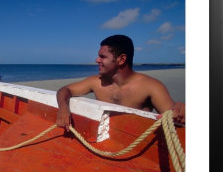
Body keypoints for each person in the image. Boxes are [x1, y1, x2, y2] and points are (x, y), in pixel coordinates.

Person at [56, 35, 185, 130]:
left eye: (103, 56)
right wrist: (63, 108)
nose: (96, 60)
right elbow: (65, 90)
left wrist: (180, 111)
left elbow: (173, 117)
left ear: (121, 59)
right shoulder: (96, 82)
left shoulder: (151, 86)